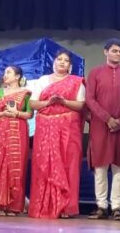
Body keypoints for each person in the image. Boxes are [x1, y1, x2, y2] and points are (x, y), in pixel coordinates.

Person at [28, 49, 86, 219]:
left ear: (70, 66)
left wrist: (63, 101)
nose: (62, 62)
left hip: (68, 129)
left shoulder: (76, 82)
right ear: (53, 62)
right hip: (45, 129)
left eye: (66, 60)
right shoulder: (43, 80)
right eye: (59, 59)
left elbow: (81, 105)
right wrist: (48, 102)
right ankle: (44, 206)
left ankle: (66, 207)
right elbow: (33, 103)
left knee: (68, 164)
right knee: (44, 165)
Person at [86, 39, 120, 220]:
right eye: (114, 51)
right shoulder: (95, 73)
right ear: (105, 52)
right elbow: (90, 99)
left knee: (119, 168)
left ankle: (116, 207)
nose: (118, 54)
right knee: (100, 167)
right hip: (100, 126)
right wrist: (107, 118)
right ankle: (101, 206)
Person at [0, 65, 32, 215]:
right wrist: (3, 114)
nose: (5, 75)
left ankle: (13, 206)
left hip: (18, 131)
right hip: (1, 129)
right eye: (5, 72)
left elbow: (29, 114)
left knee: (15, 165)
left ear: (17, 76)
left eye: (9, 72)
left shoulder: (26, 93)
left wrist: (17, 113)